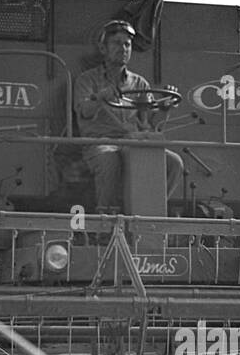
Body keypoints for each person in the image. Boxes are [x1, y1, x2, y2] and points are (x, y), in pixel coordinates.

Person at [72, 18, 184, 212]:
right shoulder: (87, 80)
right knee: (109, 159)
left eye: (127, 44)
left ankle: (152, 210)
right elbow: (84, 111)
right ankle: (106, 219)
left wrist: (165, 108)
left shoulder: (139, 84)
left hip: (134, 142)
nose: (123, 48)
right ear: (103, 48)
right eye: (116, 43)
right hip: (100, 142)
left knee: (174, 163)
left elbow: (150, 122)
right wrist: (101, 97)